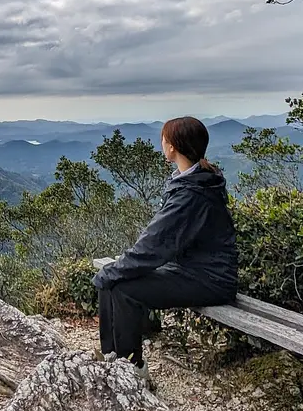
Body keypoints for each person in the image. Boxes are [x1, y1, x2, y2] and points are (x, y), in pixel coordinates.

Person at [92, 116, 238, 381]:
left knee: (121, 286)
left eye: (164, 139)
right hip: (194, 269)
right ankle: (111, 356)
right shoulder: (195, 180)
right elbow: (159, 241)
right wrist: (117, 268)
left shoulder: (191, 193)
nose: (162, 143)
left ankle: (132, 371)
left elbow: (154, 244)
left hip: (210, 278)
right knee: (111, 277)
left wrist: (118, 268)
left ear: (172, 147)